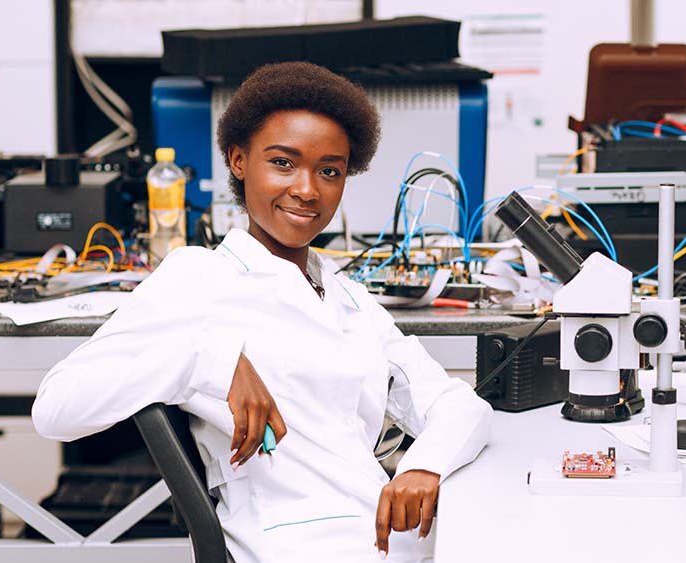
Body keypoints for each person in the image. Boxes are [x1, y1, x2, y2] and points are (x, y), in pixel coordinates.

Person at [32, 62, 492, 563]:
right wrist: (212, 363)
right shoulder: (199, 276)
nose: (307, 189)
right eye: (282, 163)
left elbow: (457, 405)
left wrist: (423, 466)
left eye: (330, 171)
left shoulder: (349, 299)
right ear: (238, 161)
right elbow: (56, 407)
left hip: (389, 536)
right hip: (295, 546)